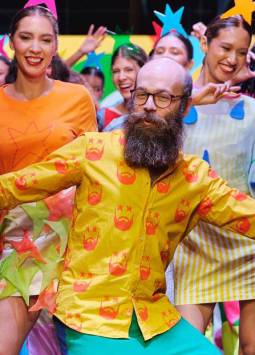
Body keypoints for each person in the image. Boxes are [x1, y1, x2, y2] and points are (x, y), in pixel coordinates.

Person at [2, 57, 255, 354]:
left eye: (162, 97)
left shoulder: (194, 177)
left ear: (185, 107)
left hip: (155, 319)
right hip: (88, 316)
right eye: (141, 95)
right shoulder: (94, 151)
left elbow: (246, 215)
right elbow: (15, 186)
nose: (148, 105)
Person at [0, 5, 97, 354]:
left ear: (56, 46)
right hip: (15, 245)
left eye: (45, 39)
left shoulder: (77, 98)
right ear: (12, 43)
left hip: (70, 242)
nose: (35, 48)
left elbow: (95, 169)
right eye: (26, 38)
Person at [169, 15, 255, 355]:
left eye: (241, 51)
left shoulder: (251, 111)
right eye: (225, 47)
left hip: (246, 239)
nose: (232, 59)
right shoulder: (175, 103)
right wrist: (188, 102)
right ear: (204, 44)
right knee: (187, 348)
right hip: (192, 242)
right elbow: (142, 134)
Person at [97, 43, 148, 131]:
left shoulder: (156, 112)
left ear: (144, 70)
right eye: (116, 71)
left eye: (128, 70)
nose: (121, 77)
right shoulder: (103, 116)